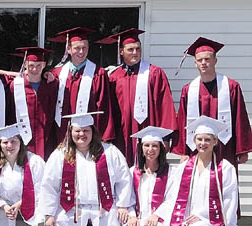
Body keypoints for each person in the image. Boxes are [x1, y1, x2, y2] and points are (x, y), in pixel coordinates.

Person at [39, 112, 132, 226]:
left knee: (112, 218)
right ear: (70, 132)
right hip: (73, 206)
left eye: (86, 130)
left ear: (93, 132)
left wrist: (123, 205)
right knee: (63, 218)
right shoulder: (60, 154)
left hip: (103, 206)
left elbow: (124, 179)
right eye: (77, 131)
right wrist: (49, 214)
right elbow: (49, 185)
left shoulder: (110, 151)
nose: (81, 134)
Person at [166, 116, 239, 226]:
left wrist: (203, 218)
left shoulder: (225, 168)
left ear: (215, 142)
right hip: (188, 221)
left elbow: (230, 201)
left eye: (207, 139)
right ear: (194, 141)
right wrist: (182, 221)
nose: (203, 143)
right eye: (199, 139)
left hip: (213, 222)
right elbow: (174, 197)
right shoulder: (185, 167)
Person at [96, 28, 177, 165]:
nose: (135, 53)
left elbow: (165, 106)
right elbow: (108, 109)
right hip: (122, 135)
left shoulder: (154, 73)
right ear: (121, 51)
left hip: (148, 134)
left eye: (138, 49)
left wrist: (166, 137)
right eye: (130, 49)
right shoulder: (113, 76)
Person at [171, 37, 252, 168]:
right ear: (195, 63)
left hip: (225, 147)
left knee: (225, 180)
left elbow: (240, 118)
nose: (203, 63)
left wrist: (242, 149)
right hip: (197, 148)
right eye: (199, 60)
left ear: (215, 61)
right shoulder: (188, 90)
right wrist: (184, 152)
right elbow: (182, 120)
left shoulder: (231, 86)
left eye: (207, 59)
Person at [49, 27, 114, 144]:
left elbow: (103, 106)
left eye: (84, 48)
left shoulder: (98, 73)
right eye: (77, 48)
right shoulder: (57, 73)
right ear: (68, 49)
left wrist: (102, 135)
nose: (81, 52)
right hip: (62, 131)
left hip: (87, 133)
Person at [122, 126, 175, 226]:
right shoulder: (133, 171)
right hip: (139, 216)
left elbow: (172, 199)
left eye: (155, 146)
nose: (150, 150)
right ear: (141, 148)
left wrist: (156, 215)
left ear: (161, 148)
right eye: (146, 145)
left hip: (160, 218)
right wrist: (132, 216)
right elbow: (128, 198)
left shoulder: (171, 172)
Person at [9, 47, 59, 159]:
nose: (35, 69)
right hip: (23, 136)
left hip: (46, 136)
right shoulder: (15, 86)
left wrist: (48, 73)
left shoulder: (51, 85)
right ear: (25, 65)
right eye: (31, 65)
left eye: (39, 66)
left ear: (44, 65)